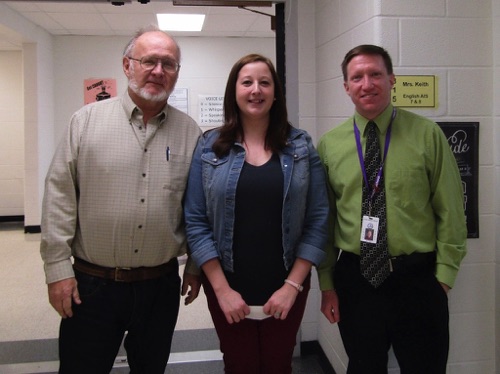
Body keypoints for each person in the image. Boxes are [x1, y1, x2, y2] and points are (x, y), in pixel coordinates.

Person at [40, 25, 202, 374]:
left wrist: (195, 264)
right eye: (149, 61)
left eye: (169, 64)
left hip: (159, 286)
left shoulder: (190, 133)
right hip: (92, 286)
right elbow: (59, 196)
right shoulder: (85, 122)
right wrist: (57, 270)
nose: (159, 71)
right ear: (128, 65)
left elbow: (197, 208)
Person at [317, 44, 467, 373]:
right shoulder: (329, 145)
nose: (367, 83)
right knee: (364, 367)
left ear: (392, 79)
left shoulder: (427, 135)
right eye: (357, 77)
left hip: (417, 279)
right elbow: (324, 222)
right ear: (346, 87)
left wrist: (442, 279)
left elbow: (451, 211)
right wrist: (327, 284)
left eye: (375, 74)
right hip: (356, 281)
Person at [183, 53, 329, 374]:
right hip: (228, 287)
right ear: (234, 91)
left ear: (275, 93)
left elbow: (318, 219)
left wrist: (292, 287)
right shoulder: (210, 147)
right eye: (246, 82)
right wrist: (221, 290)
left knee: (279, 365)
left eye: (265, 82)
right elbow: (195, 220)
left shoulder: (301, 146)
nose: (256, 90)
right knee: (239, 365)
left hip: (287, 286)